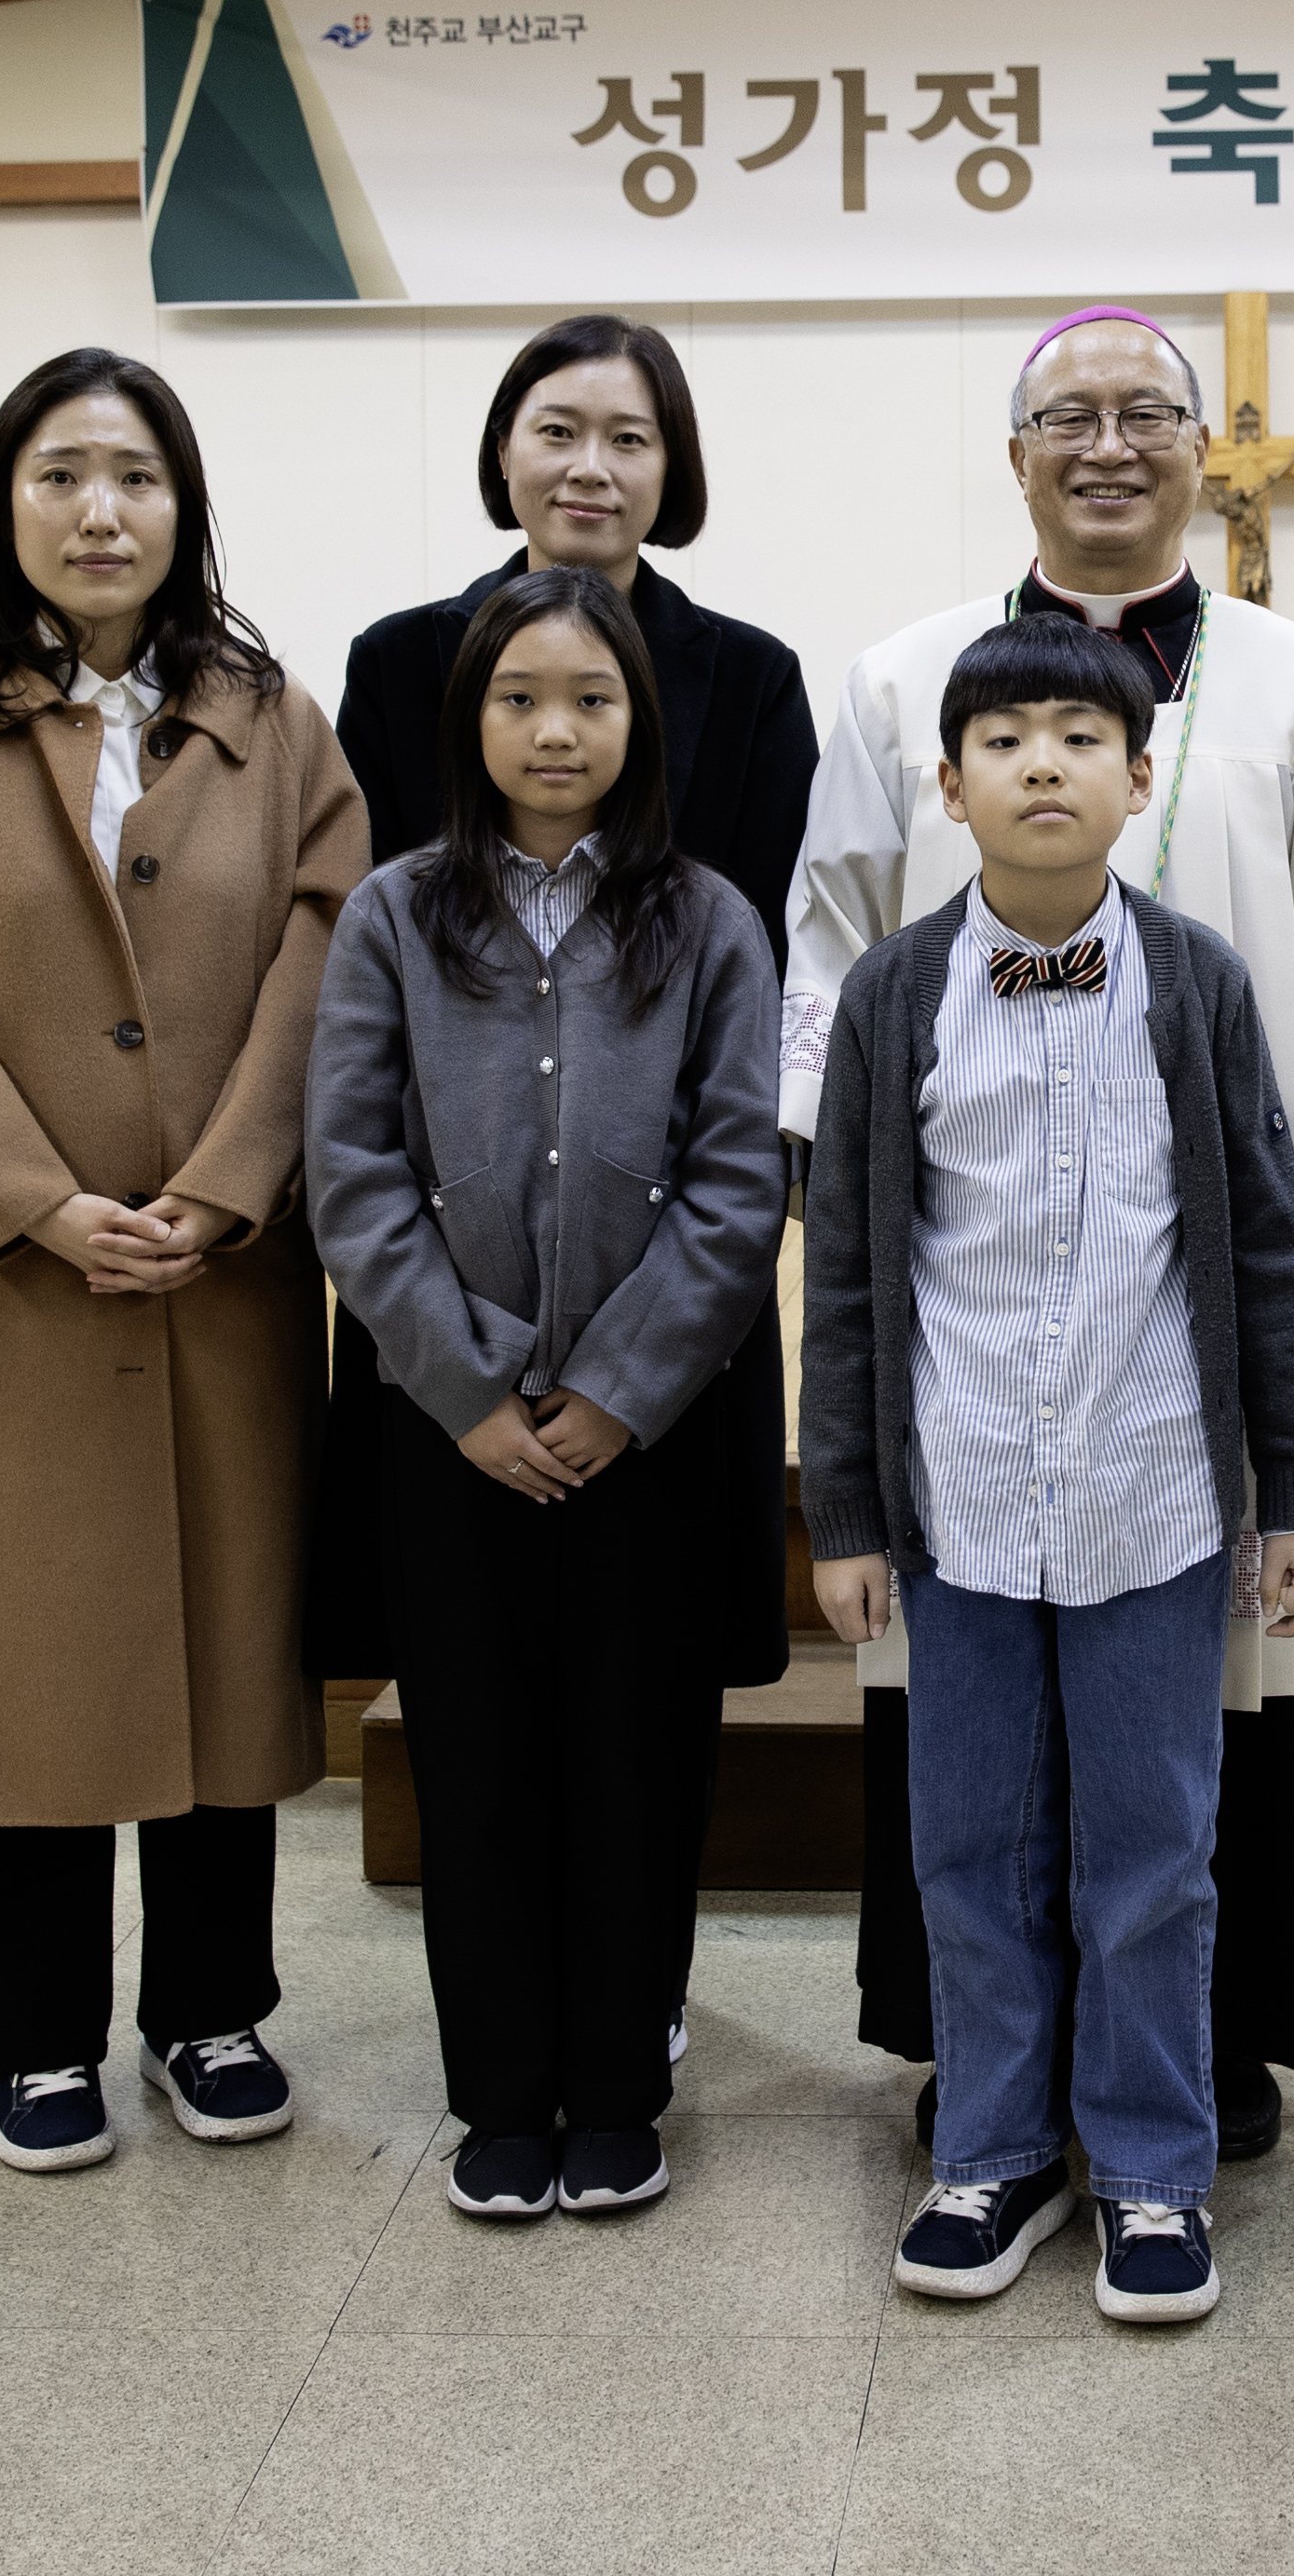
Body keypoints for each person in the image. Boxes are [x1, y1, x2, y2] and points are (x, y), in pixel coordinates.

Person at [785, 306, 1294, 2153]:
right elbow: (826, 968)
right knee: (974, 1674)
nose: (1106, 445)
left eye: (1143, 414)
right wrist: (838, 1256)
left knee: (1213, 1651)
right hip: (971, 1304)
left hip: (1206, 1315)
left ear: (1197, 450)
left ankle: (1204, 2046)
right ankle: (977, 2054)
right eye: (1064, 418)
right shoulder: (899, 685)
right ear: (1014, 459)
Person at [0, 347, 366, 2174]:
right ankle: (39, 2033)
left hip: (220, 1273)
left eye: (135, 476)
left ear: (183, 504)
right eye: (60, 475)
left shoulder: (274, 718)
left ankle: (213, 2014)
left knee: (226, 1645)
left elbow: (329, 957)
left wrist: (224, 1187)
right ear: (6, 505)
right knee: (18, 1654)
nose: (101, 511)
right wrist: (44, 1201)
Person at [797, 614, 1294, 2326]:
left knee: (1154, 1848)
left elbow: (1266, 1247)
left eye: (1078, 737)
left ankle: (1156, 2166)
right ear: (947, 787)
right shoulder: (893, 992)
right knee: (966, 1840)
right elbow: (852, 1269)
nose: (1044, 762)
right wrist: (844, 1511)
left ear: (1138, 775)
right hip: (954, 1494)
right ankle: (994, 2145)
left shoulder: (1197, 977)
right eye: (1006, 739)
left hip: (1152, 1495)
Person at [306, 563, 786, 2219]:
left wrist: (611, 1388)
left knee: (639, 1757)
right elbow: (353, 1171)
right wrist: (468, 1384)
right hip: (454, 1435)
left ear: (639, 716)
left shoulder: (711, 917)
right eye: (519, 696)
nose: (555, 726)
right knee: (480, 1755)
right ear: (469, 720)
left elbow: (738, 1184)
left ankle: (618, 2086)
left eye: (590, 695)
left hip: (642, 1431)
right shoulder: (394, 912)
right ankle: (502, 2092)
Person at [321, 317, 813, 1716]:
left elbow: (759, 962)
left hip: (663, 1256)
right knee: (463, 1683)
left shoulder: (753, 677)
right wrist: (459, 1352)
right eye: (556, 430)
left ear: (675, 471)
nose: (589, 466)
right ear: (502, 452)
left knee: (647, 1698)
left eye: (630, 437)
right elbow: (376, 957)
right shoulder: (403, 660)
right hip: (451, 1255)